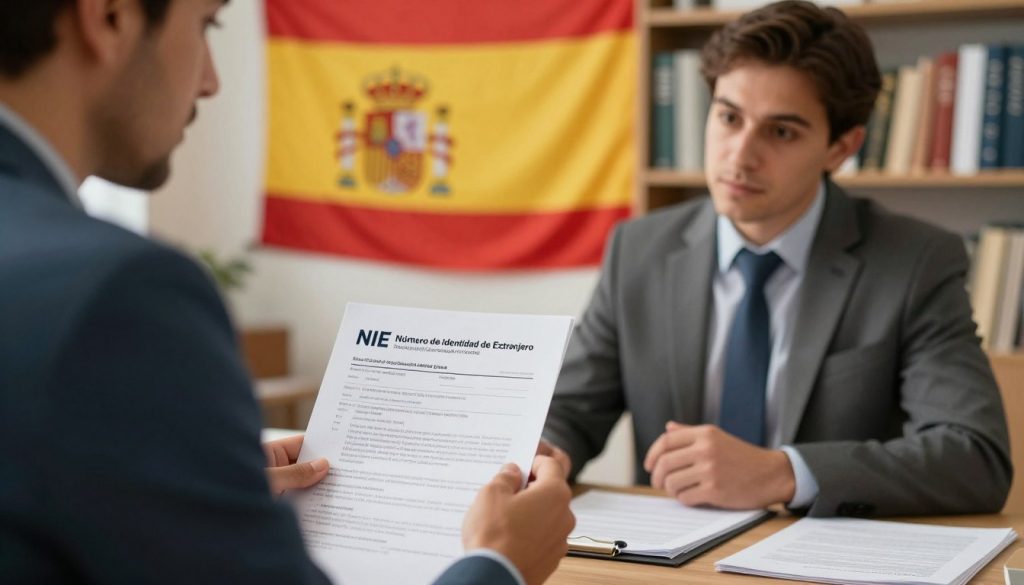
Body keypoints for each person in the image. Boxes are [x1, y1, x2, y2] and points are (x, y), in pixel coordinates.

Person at [0, 1, 574, 584]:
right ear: (110, 17)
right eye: (206, 25)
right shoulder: (119, 294)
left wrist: (206, 495)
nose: (211, 81)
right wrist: (497, 563)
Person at [540, 0, 1012, 518]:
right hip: (669, 547)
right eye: (729, 118)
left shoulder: (915, 262)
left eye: (781, 131)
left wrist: (783, 473)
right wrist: (542, 453)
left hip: (824, 551)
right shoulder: (638, 250)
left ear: (840, 148)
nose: (740, 156)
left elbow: (975, 457)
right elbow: (570, 412)